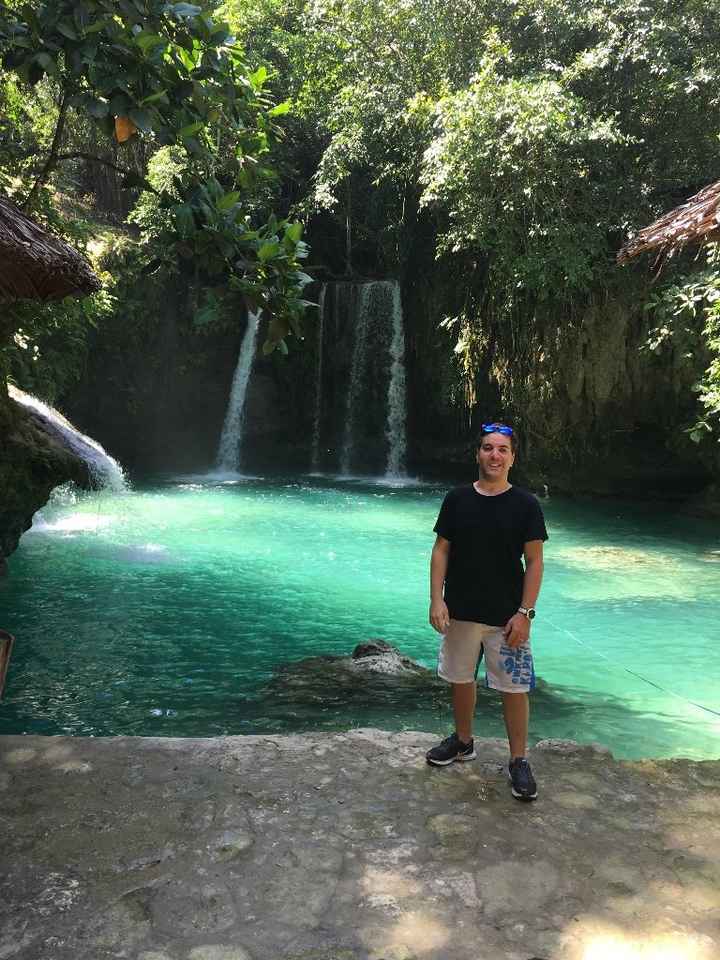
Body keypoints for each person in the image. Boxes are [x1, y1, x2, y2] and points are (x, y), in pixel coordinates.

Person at [426, 422, 548, 801]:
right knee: (461, 679)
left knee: (515, 688)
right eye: (487, 448)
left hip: (506, 618)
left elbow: (535, 562)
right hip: (460, 611)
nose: (494, 455)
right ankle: (464, 741)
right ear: (478, 453)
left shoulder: (526, 504)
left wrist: (525, 613)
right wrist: (436, 599)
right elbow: (441, 550)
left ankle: (518, 760)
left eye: (502, 450)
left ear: (512, 458)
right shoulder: (457, 499)